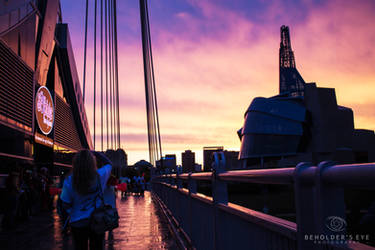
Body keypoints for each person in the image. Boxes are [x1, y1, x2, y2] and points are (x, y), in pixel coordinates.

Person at [60, 150, 112, 250]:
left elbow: (65, 204)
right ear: (92, 162)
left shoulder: (69, 181)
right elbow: (109, 163)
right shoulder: (100, 175)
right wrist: (96, 154)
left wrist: (74, 210)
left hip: (77, 221)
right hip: (97, 220)